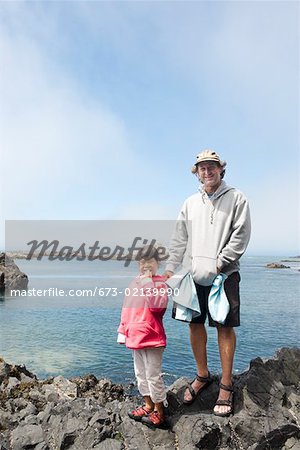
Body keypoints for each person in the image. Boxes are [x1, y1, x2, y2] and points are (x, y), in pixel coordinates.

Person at [164, 150, 251, 417]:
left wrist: (219, 263)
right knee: (195, 324)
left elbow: (241, 234)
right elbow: (179, 238)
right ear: (197, 172)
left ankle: (226, 385)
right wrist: (170, 267)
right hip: (192, 275)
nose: (207, 171)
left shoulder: (237, 198)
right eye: (202, 167)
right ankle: (202, 375)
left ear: (220, 169)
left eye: (211, 166)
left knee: (224, 327)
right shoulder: (190, 203)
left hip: (223, 275)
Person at [117, 245, 169, 428]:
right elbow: (126, 308)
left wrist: (148, 283)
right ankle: (148, 404)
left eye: (150, 261)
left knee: (153, 376)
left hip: (153, 338)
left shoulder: (160, 283)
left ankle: (159, 410)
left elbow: (157, 307)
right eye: (142, 262)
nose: (146, 265)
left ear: (158, 263)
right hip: (136, 338)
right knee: (140, 374)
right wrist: (123, 331)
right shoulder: (134, 283)